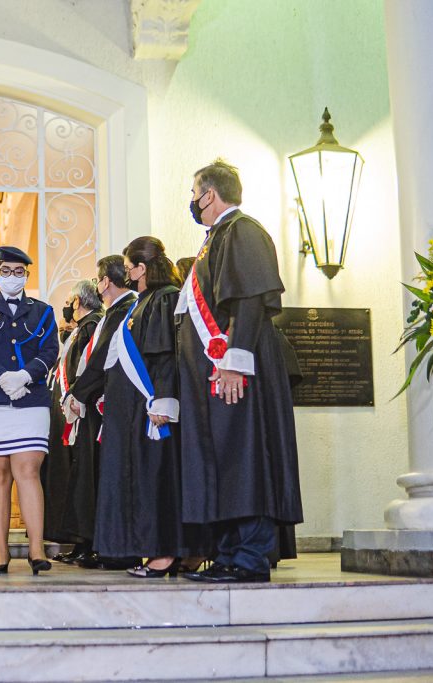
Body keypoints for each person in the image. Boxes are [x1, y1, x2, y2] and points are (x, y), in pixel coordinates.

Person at [177, 159, 303, 583]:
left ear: (209, 194)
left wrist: (234, 362)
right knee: (225, 457)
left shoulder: (242, 231)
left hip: (235, 370)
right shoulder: (217, 239)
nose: (193, 202)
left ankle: (250, 557)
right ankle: (230, 553)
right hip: (217, 372)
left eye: (195, 193)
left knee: (245, 456)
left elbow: (248, 301)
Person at [90, 237, 198, 578]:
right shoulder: (143, 301)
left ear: (142, 267)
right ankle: (154, 548)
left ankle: (164, 553)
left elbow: (164, 355)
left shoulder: (164, 299)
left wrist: (163, 400)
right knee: (144, 478)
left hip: (152, 409)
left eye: (128, 266)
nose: (125, 272)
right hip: (132, 409)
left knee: (157, 479)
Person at [0, 246, 59, 575]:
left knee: (28, 471)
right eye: (6, 270)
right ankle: (1, 552)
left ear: (27, 276)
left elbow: (50, 349)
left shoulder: (43, 311)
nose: (12, 277)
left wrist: (25, 375)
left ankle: (36, 549)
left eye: (19, 272)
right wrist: (2, 376)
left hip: (30, 399)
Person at [64, 255, 138, 570]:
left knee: (111, 477)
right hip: (101, 407)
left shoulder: (124, 311)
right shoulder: (116, 311)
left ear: (106, 280)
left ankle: (115, 548)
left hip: (108, 408)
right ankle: (103, 544)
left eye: (99, 277)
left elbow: (102, 358)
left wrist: (77, 392)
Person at [44, 279, 103, 564]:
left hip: (79, 417)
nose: (67, 306)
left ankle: (85, 541)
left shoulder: (91, 327)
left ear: (78, 302)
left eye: (69, 301)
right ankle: (78, 541)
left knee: (80, 478)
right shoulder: (80, 329)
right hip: (67, 415)